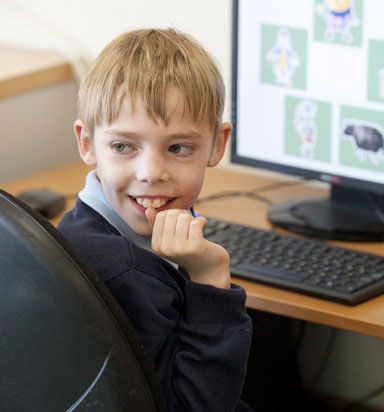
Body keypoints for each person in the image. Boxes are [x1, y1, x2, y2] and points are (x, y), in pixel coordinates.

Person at [57, 28, 253, 411]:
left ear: (217, 144)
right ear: (87, 143)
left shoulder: (84, 224)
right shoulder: (126, 274)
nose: (151, 172)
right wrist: (211, 280)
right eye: (123, 146)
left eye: (178, 147)